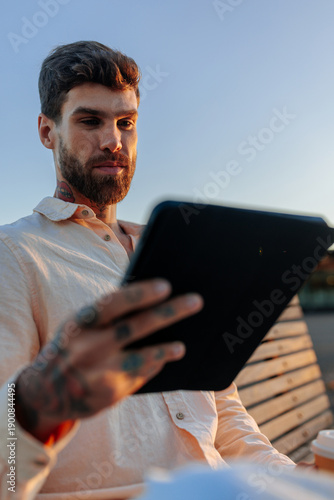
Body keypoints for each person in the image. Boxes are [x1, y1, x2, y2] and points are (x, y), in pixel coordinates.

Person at [0, 41, 295, 500]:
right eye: (89, 120)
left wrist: (287, 479)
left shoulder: (174, 253)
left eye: (126, 123)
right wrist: (35, 409)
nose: (113, 140)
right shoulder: (14, 254)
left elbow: (226, 415)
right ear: (46, 131)